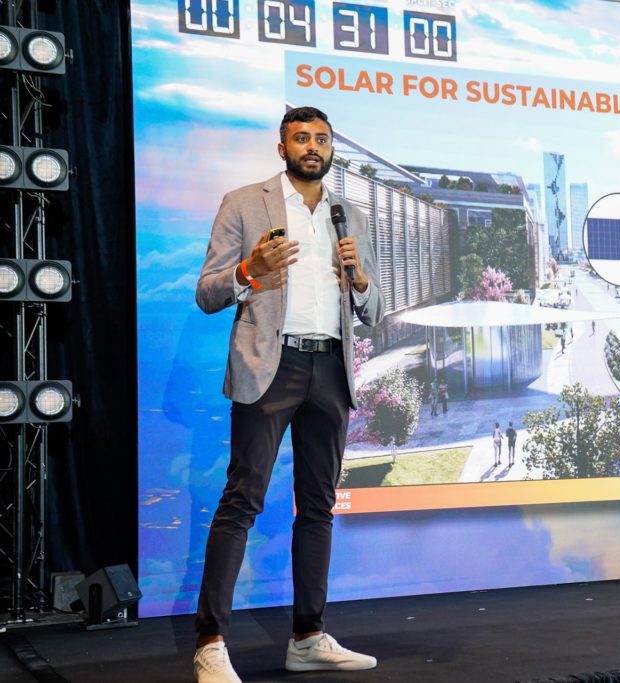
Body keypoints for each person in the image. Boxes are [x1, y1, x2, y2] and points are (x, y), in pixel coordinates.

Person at [192, 107, 383, 683]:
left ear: (330, 151)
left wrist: (361, 279)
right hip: (270, 366)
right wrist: (250, 269)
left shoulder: (350, 215)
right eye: (302, 138)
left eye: (322, 139)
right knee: (242, 499)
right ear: (282, 148)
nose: (313, 146)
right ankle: (209, 643)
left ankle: (307, 635)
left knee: (318, 507)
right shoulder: (244, 202)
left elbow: (372, 312)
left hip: (330, 368)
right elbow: (206, 292)